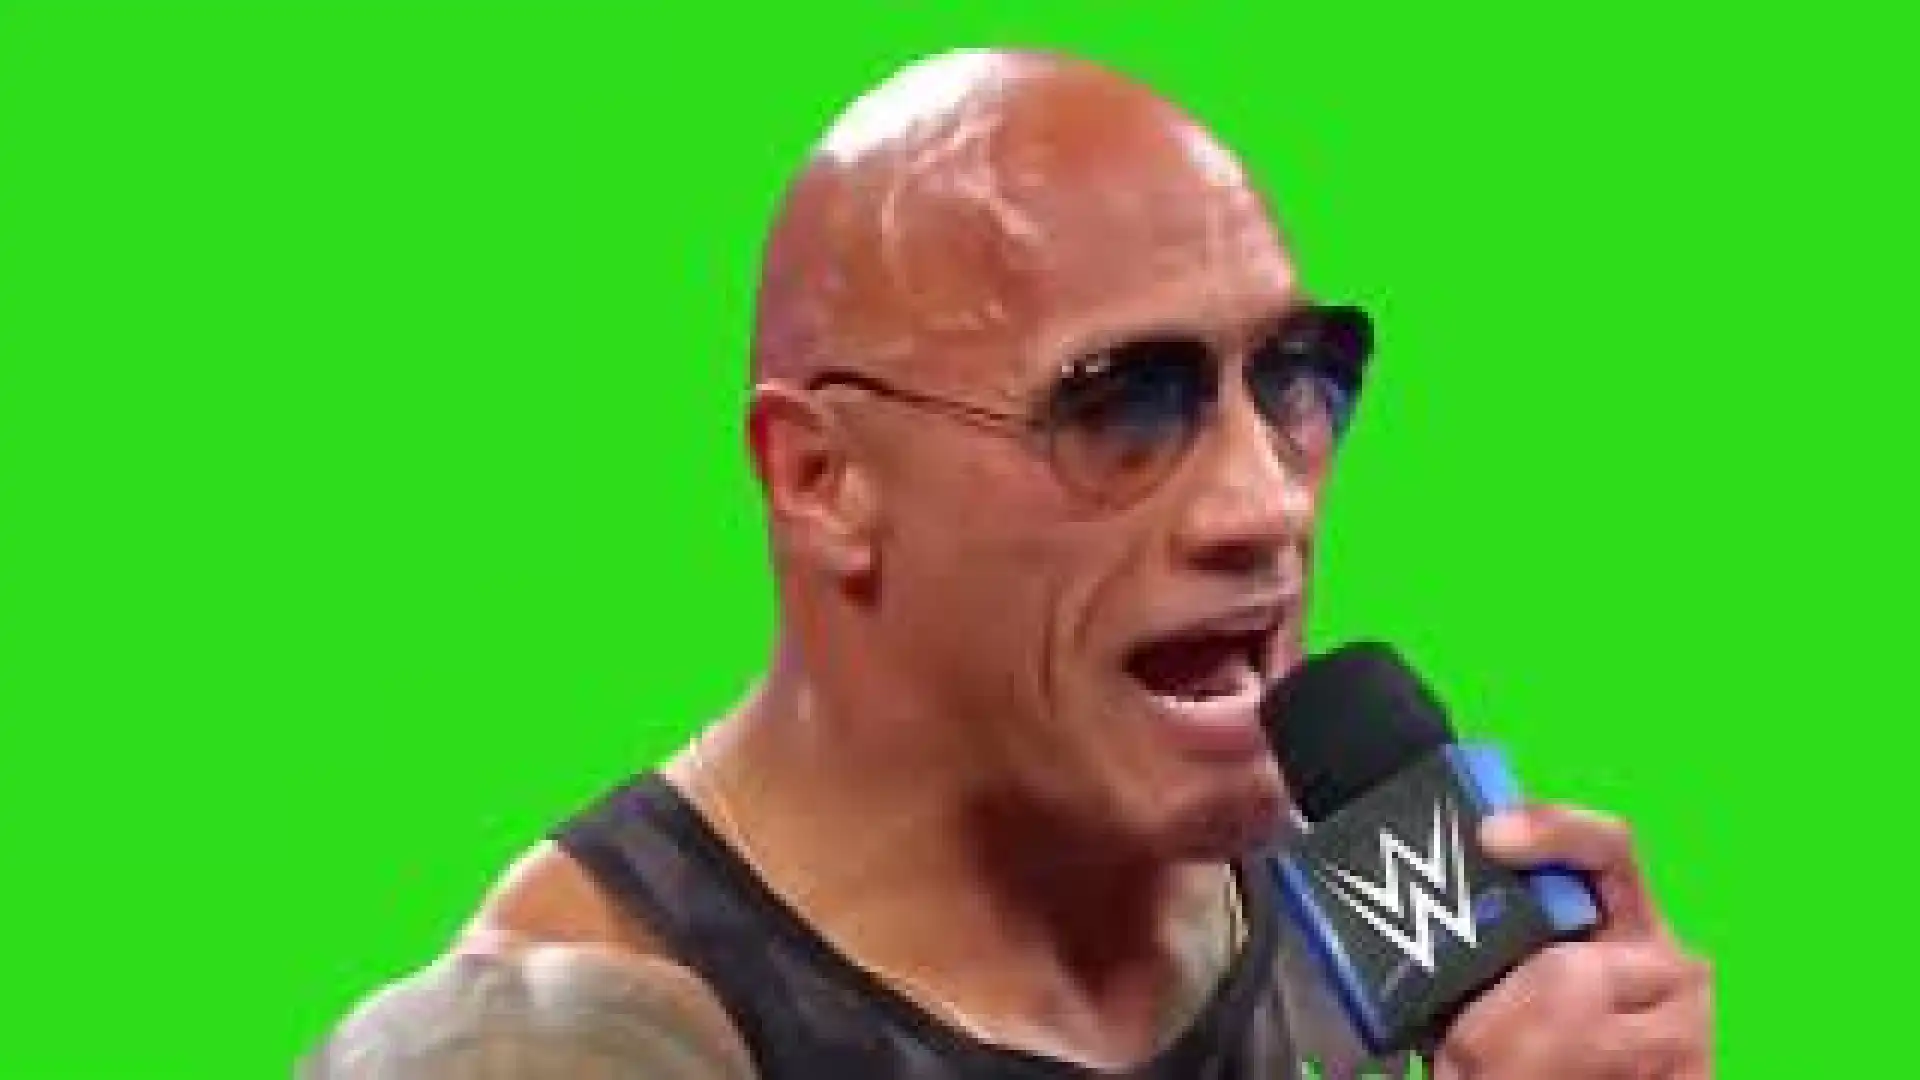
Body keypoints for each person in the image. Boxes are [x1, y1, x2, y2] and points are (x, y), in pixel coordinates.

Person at [304, 49, 1712, 1079]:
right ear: (822, 479)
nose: (1266, 499)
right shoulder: (548, 1047)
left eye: (1291, 375)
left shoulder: (1351, 911)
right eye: (1124, 403)